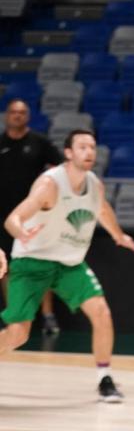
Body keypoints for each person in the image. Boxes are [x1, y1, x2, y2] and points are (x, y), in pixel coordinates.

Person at [0, 129, 134, 402]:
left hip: (69, 263)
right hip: (33, 261)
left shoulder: (94, 184)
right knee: (18, 334)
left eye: (92, 147)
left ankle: (105, 379)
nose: (89, 152)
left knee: (101, 312)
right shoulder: (50, 184)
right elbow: (13, 218)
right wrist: (21, 232)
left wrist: (118, 235)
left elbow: (103, 210)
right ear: (68, 153)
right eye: (83, 147)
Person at [0, 98, 65, 335]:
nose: (17, 116)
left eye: (22, 112)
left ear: (27, 116)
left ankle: (47, 316)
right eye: (13, 112)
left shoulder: (39, 143)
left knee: (41, 264)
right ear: (7, 115)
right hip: (4, 217)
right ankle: (14, 316)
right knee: (6, 267)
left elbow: (61, 169)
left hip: (35, 216)